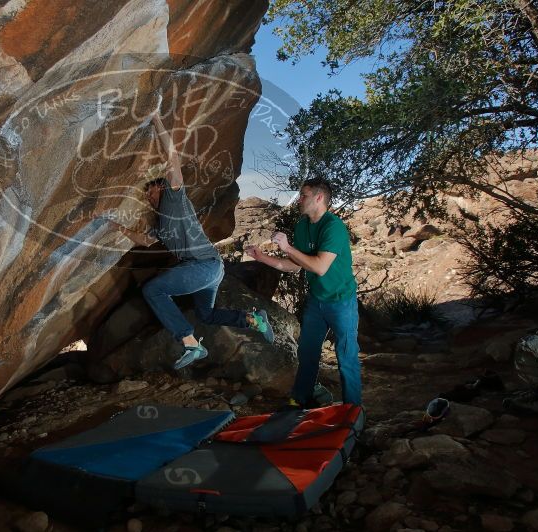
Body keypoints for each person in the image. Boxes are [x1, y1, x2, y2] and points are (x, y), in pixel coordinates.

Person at [106, 110, 275, 370]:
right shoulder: (161, 225)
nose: (148, 196)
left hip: (203, 266)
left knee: (153, 290)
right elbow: (142, 240)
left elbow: (172, 156)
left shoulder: (175, 197)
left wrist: (156, 119)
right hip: (210, 270)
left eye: (149, 190)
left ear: (161, 187)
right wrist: (111, 223)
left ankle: (191, 343)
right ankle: (254, 320)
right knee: (206, 315)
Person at [245, 178, 362, 406]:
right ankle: (300, 400)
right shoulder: (302, 226)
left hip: (341, 302)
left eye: (304, 195)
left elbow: (319, 267)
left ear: (319, 198)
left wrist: (287, 247)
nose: (299, 199)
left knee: (346, 357)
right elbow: (295, 265)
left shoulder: (333, 227)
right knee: (307, 353)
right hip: (317, 301)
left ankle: (352, 409)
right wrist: (262, 257)